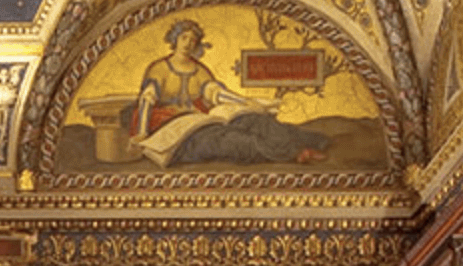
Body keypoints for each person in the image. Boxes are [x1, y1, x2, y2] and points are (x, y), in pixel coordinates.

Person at [131, 19, 329, 167]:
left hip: (201, 120)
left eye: (193, 40)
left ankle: (312, 141)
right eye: (184, 37)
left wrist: (246, 102)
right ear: (174, 39)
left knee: (258, 121)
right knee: (237, 139)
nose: (188, 43)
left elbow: (216, 94)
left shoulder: (199, 70)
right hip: (176, 132)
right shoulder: (159, 69)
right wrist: (141, 133)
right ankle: (295, 153)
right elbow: (147, 100)